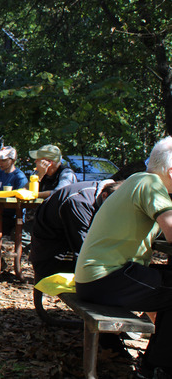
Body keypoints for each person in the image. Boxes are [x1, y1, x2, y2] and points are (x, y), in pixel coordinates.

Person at [75, 136, 172, 378]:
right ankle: (156, 369)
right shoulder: (150, 183)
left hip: (98, 278)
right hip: (107, 277)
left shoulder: (134, 182)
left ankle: (155, 366)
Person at [30, 179, 119, 283]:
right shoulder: (80, 202)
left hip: (67, 246)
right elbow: (83, 247)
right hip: (51, 257)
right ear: (104, 195)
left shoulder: (105, 192)